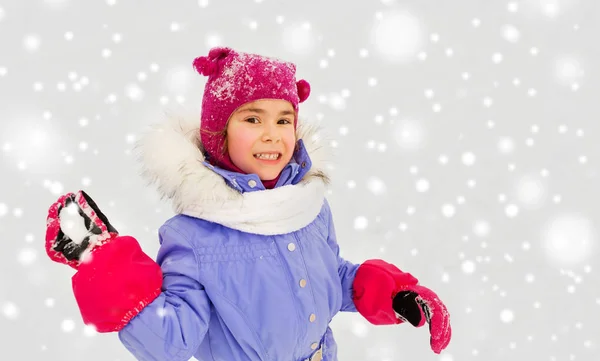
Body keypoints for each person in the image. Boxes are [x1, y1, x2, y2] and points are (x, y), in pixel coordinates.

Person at [44, 47, 452, 361]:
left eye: (283, 120)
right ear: (219, 134)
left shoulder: (306, 206)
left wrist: (394, 294)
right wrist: (107, 268)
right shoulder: (195, 234)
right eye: (252, 119)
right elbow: (172, 339)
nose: (272, 135)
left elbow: (329, 277)